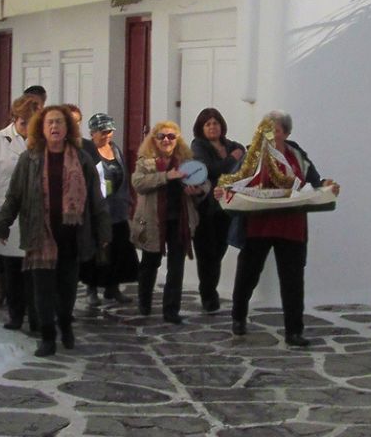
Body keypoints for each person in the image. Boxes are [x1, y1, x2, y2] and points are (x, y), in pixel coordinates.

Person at [0, 105, 112, 357]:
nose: (55, 127)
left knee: (66, 289)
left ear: (68, 128)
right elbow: (15, 195)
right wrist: (2, 223)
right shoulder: (30, 159)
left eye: (59, 122)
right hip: (40, 234)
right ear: (42, 129)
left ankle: (65, 324)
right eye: (50, 123)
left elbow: (95, 199)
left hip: (71, 235)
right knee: (42, 290)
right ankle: (48, 336)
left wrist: (103, 232)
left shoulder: (81, 159)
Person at [217, 110, 339, 347]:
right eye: (268, 128)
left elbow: (314, 180)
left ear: (286, 132)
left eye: (277, 129)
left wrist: (327, 185)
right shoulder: (254, 153)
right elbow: (235, 180)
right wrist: (224, 191)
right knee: (248, 275)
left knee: (293, 279)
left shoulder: (296, 154)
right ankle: (238, 317)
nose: (271, 134)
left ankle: (294, 331)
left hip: (291, 226)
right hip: (258, 226)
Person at [131, 120, 208, 324]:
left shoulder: (186, 161)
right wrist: (166, 176)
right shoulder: (145, 161)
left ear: (177, 140)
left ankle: (171, 310)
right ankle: (144, 301)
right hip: (153, 220)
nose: (167, 140)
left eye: (171, 136)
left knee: (176, 266)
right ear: (154, 140)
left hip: (179, 221)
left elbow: (204, 182)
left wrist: (198, 190)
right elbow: (138, 183)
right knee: (150, 262)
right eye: (162, 136)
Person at [0, 95, 39, 331]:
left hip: (34, 212)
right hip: (6, 210)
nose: (27, 127)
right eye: (24, 122)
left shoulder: (40, 139)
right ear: (14, 119)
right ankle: (16, 314)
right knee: (12, 267)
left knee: (34, 267)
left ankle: (36, 315)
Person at [189, 108, 245, 312]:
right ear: (201, 128)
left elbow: (244, 162)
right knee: (206, 254)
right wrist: (231, 160)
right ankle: (208, 296)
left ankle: (211, 290)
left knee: (219, 251)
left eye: (215, 123)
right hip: (206, 208)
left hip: (226, 208)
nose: (212, 127)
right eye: (208, 124)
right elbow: (209, 170)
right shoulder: (198, 146)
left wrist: (234, 157)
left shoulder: (233, 146)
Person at [79, 112, 138, 306]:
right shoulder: (87, 151)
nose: (107, 136)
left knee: (119, 250)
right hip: (98, 209)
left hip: (118, 208)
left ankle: (113, 288)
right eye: (103, 132)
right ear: (93, 133)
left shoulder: (115, 149)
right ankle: (92, 288)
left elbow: (124, 173)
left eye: (109, 132)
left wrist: (128, 200)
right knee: (97, 253)